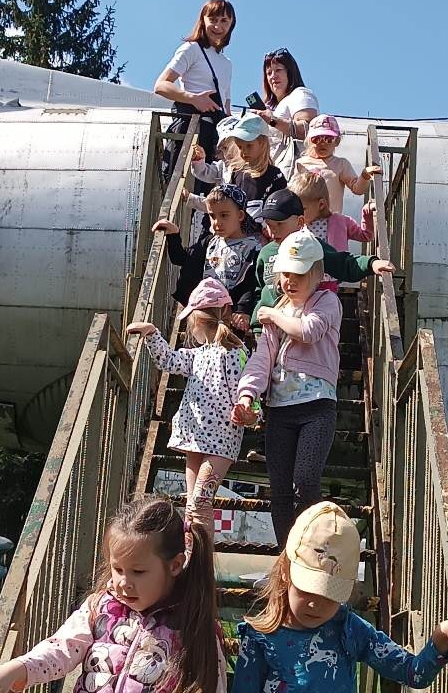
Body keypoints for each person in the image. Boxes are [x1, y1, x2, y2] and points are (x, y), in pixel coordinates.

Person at [0, 497, 227, 693]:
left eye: (138, 572)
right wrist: (17, 669)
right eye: (117, 569)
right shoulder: (101, 607)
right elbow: (61, 649)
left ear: (175, 565)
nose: (124, 583)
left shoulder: (195, 626)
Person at [232, 501, 448, 693]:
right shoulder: (259, 639)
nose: (315, 603)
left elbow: (413, 673)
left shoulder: (349, 629)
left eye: (329, 595)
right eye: (306, 589)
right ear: (286, 572)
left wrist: (442, 635)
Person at [231, 229, 342, 546]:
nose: (290, 282)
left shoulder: (327, 302)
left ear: (316, 273)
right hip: (279, 410)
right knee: (279, 490)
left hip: (317, 407)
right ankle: (286, 556)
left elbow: (309, 331)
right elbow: (261, 359)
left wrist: (273, 315)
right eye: (285, 274)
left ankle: (310, 548)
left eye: (299, 274)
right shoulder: (278, 309)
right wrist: (247, 394)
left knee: (305, 481)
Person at [127, 280, 247, 541]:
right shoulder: (198, 354)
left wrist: (248, 411)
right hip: (196, 438)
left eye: (192, 322)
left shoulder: (234, 352)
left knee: (199, 503)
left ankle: (202, 560)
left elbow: (246, 389)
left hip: (221, 441)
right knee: (193, 506)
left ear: (199, 321)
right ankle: (193, 555)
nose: (191, 327)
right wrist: (151, 333)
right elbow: (169, 361)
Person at [250, 189, 393, 333]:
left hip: (297, 323)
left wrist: (371, 263)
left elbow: (343, 263)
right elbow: (259, 288)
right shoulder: (266, 252)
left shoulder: (311, 247)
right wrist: (252, 317)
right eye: (269, 225)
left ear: (300, 221)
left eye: (280, 224)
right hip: (265, 326)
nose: (273, 231)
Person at [154, 184, 260, 333]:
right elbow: (181, 258)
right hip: (204, 316)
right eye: (212, 216)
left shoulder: (252, 248)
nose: (217, 222)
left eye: (224, 215)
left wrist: (243, 310)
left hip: (232, 318)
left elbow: (251, 284)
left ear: (240, 215)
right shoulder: (210, 242)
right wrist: (173, 234)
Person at [154, 0, 236, 181]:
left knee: (209, 188)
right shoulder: (191, 49)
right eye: (213, 19)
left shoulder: (227, 64)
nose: (218, 26)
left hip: (214, 135)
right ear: (203, 20)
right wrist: (193, 98)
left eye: (224, 21)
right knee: (180, 182)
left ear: (231, 24)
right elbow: (161, 85)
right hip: (191, 128)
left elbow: (226, 107)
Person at [190, 113, 287, 225]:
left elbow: (280, 211)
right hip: (233, 231)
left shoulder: (275, 176)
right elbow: (222, 205)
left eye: (249, 145)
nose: (244, 151)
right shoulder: (235, 172)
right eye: (239, 147)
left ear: (262, 143)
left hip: (261, 233)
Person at [287, 172, 374, 291]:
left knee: (327, 302)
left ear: (321, 204)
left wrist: (367, 213)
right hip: (303, 280)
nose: (298, 214)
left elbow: (365, 235)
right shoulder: (296, 224)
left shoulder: (340, 222)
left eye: (302, 209)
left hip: (328, 281)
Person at [295, 114, 381, 213]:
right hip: (306, 219)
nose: (322, 143)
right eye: (317, 139)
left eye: (328, 138)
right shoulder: (301, 163)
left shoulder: (340, 164)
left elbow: (358, 189)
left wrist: (365, 175)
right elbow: (294, 192)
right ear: (310, 141)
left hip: (331, 220)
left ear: (337, 141)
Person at [255, 48, 318, 146]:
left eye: (278, 70)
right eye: (269, 73)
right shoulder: (277, 107)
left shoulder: (300, 94)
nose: (273, 76)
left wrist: (272, 120)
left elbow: (307, 130)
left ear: (290, 72)